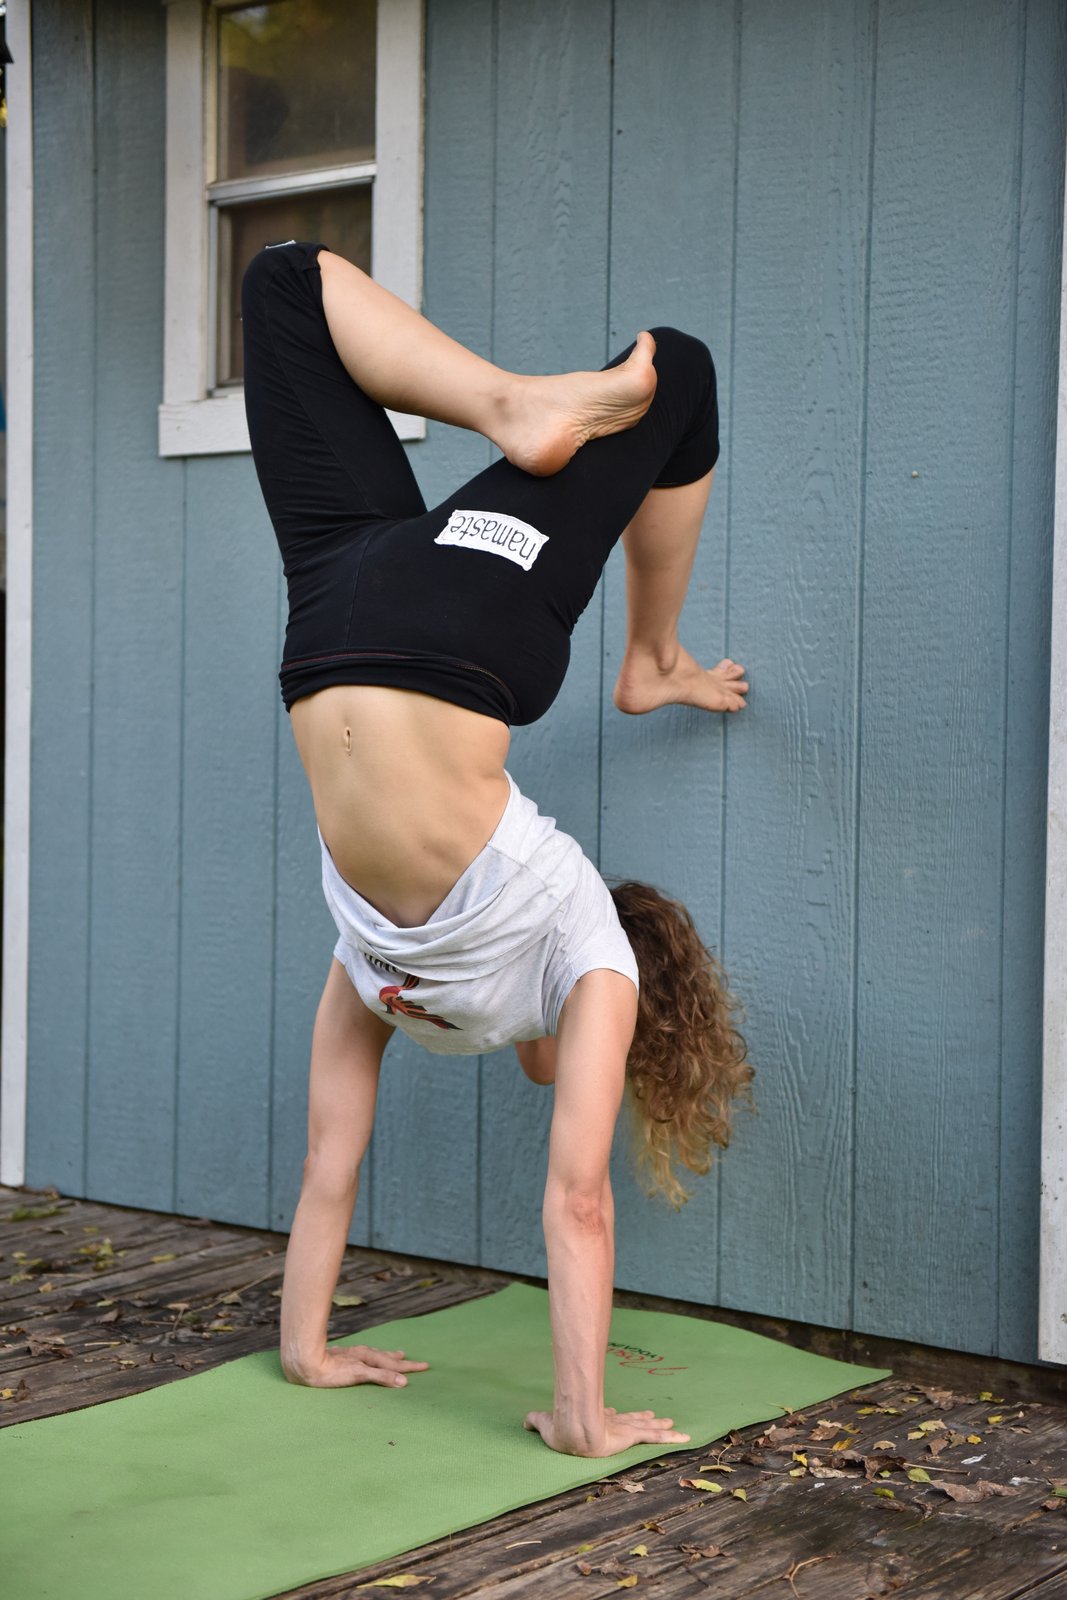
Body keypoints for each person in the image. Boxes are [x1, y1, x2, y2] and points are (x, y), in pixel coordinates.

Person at [241, 240, 753, 1460]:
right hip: (420, 632)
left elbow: (328, 1157)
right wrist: (581, 1419)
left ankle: (635, 628)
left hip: (353, 595)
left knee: (281, 286)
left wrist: (310, 1350)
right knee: (668, 368)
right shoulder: (575, 954)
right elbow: (574, 1199)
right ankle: (650, 662)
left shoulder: (381, 968)